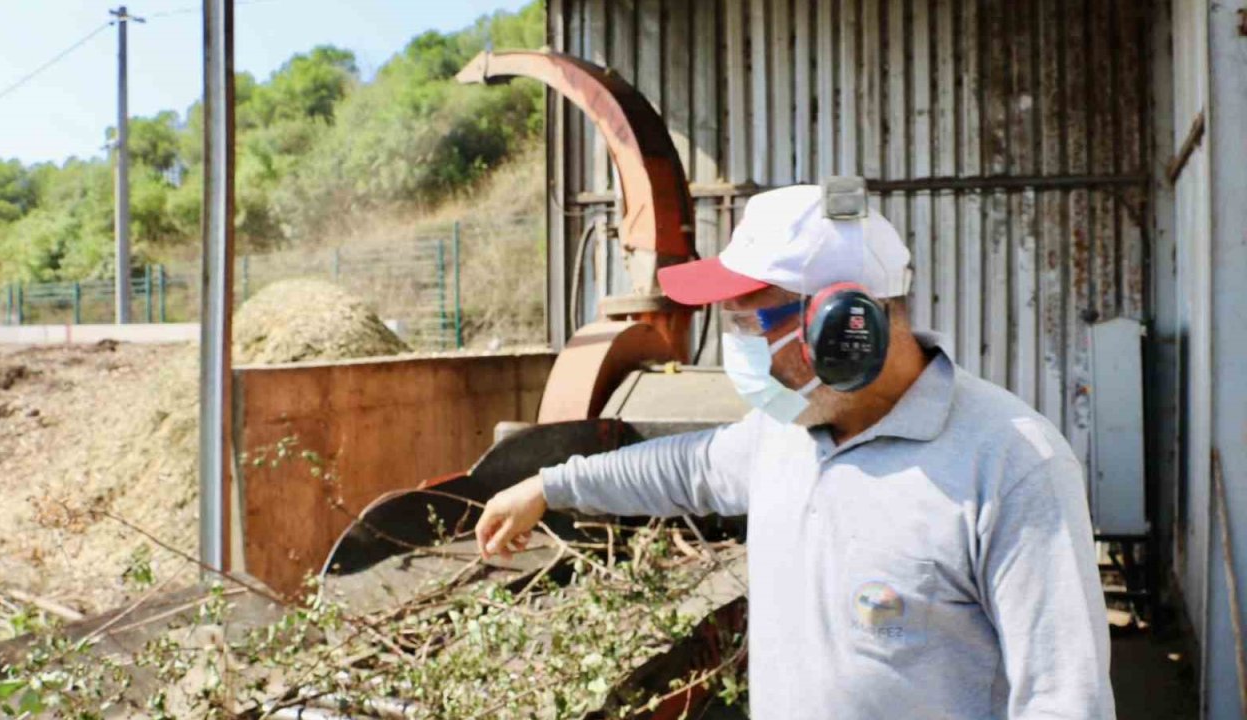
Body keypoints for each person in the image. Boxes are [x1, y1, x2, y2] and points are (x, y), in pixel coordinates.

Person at [475, 181, 1115, 719]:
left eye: (748, 324)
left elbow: (1065, 699)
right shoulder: (784, 434)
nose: (738, 352)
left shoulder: (1009, 463)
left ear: (845, 327)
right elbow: (687, 467)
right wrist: (550, 486)